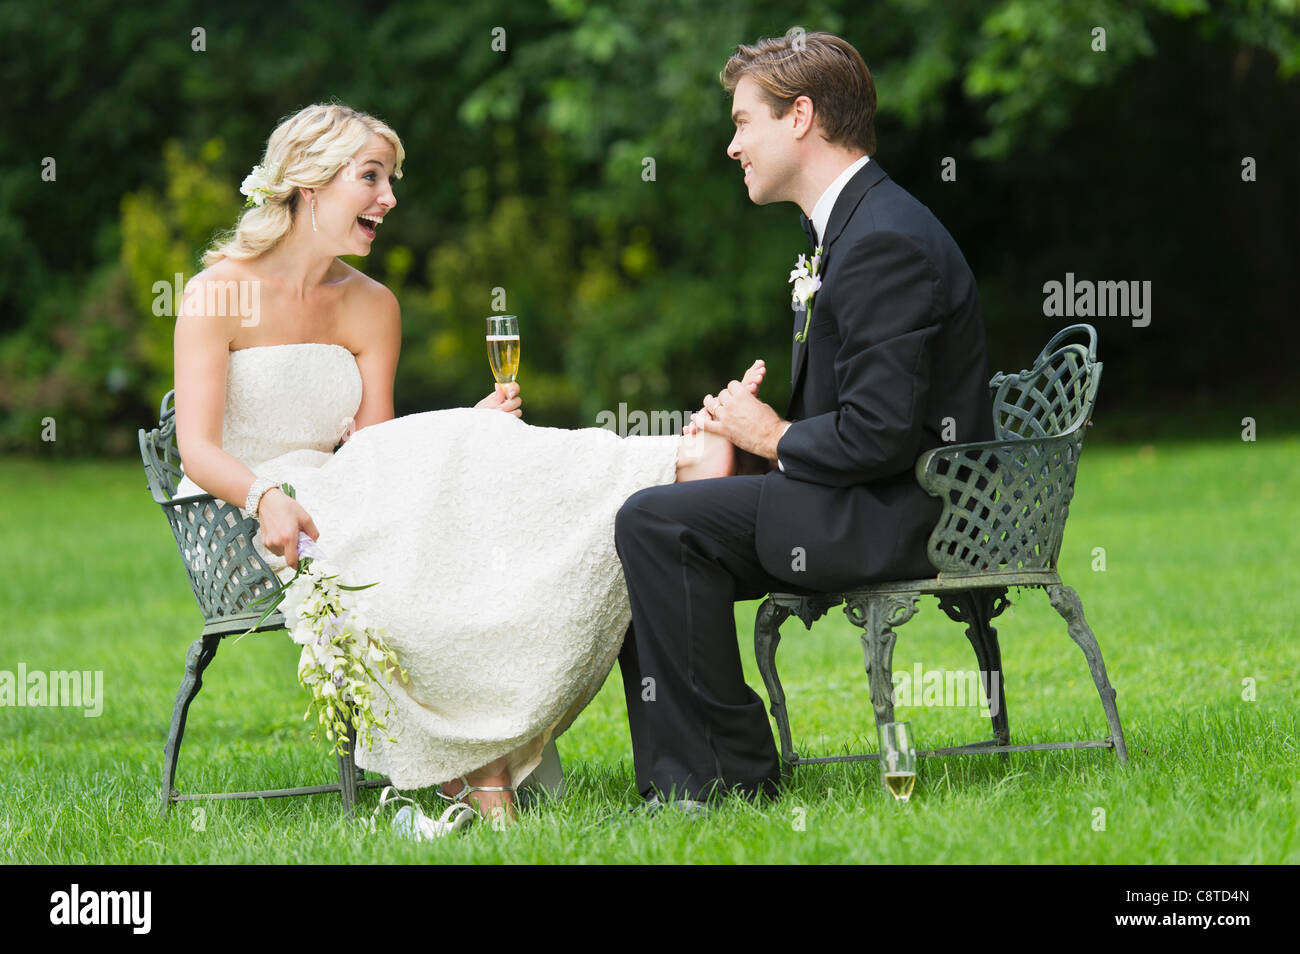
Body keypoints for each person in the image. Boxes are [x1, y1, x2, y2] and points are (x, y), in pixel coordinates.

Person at [170, 102, 759, 827]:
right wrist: (266, 497)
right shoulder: (214, 294)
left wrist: (458, 436)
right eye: (372, 177)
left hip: (345, 487)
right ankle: (479, 773)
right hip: (250, 512)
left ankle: (660, 463)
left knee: (475, 463)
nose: (389, 198)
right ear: (311, 186)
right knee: (415, 538)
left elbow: (375, 447)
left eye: (392, 179)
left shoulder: (372, 305)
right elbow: (197, 448)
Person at [614, 29, 996, 809]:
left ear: (801, 117)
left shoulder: (883, 239)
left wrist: (768, 435)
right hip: (872, 497)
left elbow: (881, 435)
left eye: (743, 121)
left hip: (908, 514)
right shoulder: (854, 228)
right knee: (655, 514)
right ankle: (692, 774)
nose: (731, 145)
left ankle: (721, 776)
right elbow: (863, 422)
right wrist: (746, 436)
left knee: (655, 523)